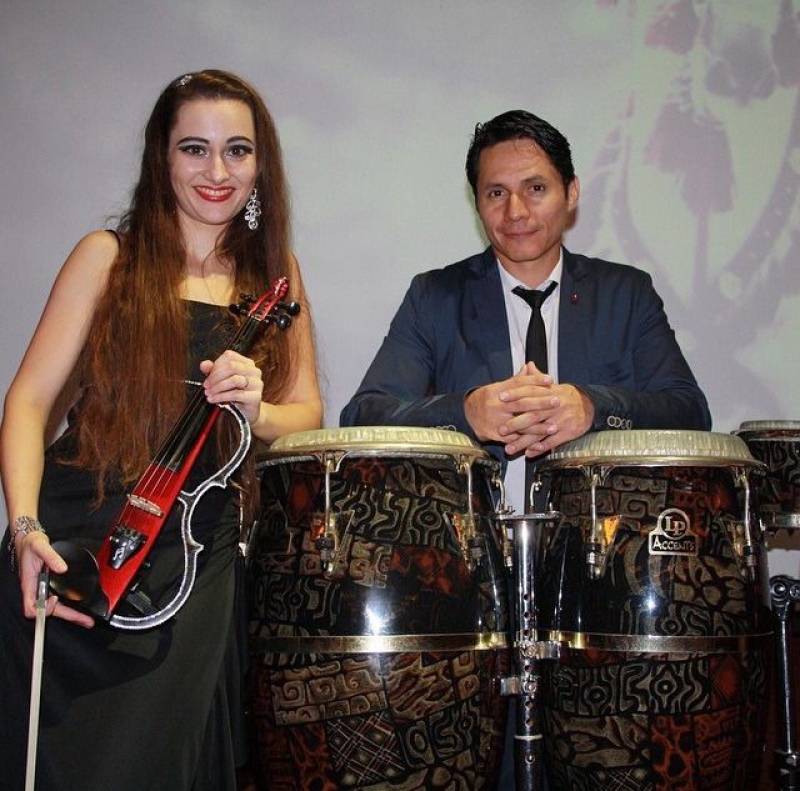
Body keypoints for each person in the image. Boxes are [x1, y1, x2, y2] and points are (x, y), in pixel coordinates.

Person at [0, 70, 322, 791]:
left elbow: (306, 413)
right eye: (194, 148)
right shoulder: (106, 257)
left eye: (237, 150)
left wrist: (258, 410)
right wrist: (24, 529)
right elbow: (28, 402)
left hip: (195, 555)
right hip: (77, 548)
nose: (217, 171)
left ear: (260, 164)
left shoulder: (277, 275)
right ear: (162, 158)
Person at [341, 109, 711, 512]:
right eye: (496, 193)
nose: (515, 212)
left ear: (571, 192)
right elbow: (363, 416)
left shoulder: (626, 293)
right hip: (473, 538)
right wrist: (466, 413)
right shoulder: (434, 297)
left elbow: (690, 412)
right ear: (477, 203)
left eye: (535, 188)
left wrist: (593, 408)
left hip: (599, 536)